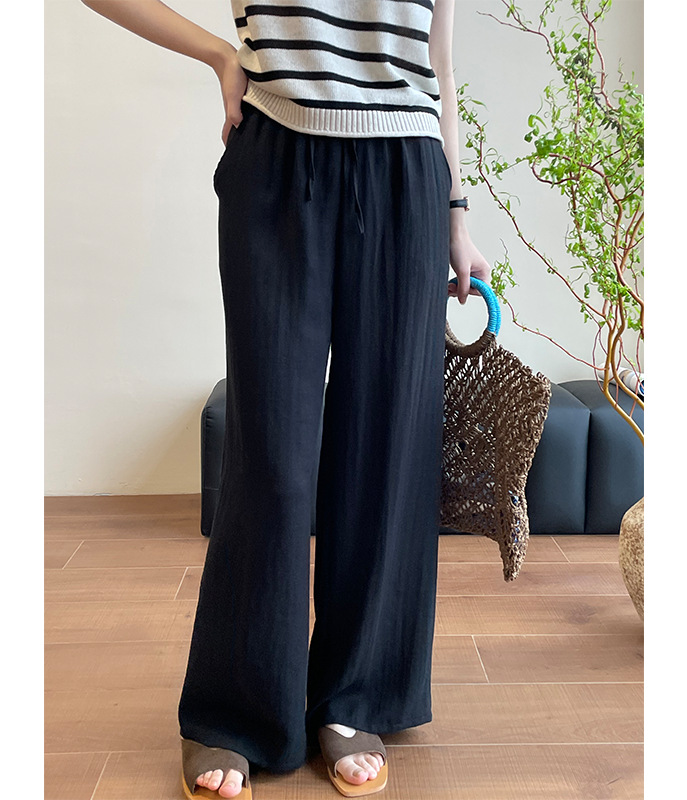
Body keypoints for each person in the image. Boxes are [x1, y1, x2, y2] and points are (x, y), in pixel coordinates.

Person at [80, 1, 491, 797]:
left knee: (383, 450)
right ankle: (237, 711)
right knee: (271, 454)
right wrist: (218, 54)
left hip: (407, 172)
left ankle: (355, 696)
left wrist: (456, 213)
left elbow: (437, 61)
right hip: (278, 153)